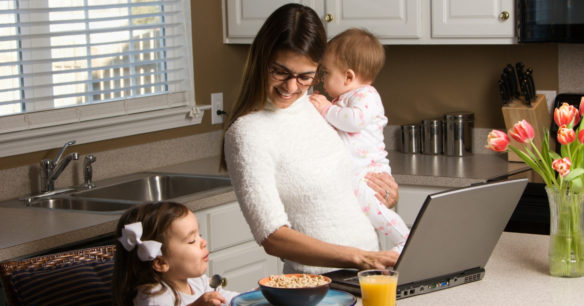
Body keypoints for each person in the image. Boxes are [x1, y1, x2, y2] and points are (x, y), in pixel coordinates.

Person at [221, 3, 400, 275]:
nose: (292, 87)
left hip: (368, 274)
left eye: (305, 76)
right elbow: (272, 236)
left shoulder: (318, 107)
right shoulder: (247, 133)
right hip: (315, 288)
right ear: (261, 59)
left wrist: (384, 196)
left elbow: (341, 188)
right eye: (280, 71)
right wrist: (359, 258)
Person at [309, 28, 409, 253]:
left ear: (348, 76)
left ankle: (405, 241)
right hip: (355, 173)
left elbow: (354, 121)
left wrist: (325, 108)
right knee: (368, 210)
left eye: (326, 73)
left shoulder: (366, 95)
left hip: (368, 172)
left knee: (374, 209)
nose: (322, 79)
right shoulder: (343, 98)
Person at [112, 202, 238, 306]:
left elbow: (226, 298)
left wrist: (254, 295)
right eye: (192, 241)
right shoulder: (153, 298)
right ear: (161, 262)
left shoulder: (196, 281)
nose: (203, 242)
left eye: (199, 236)